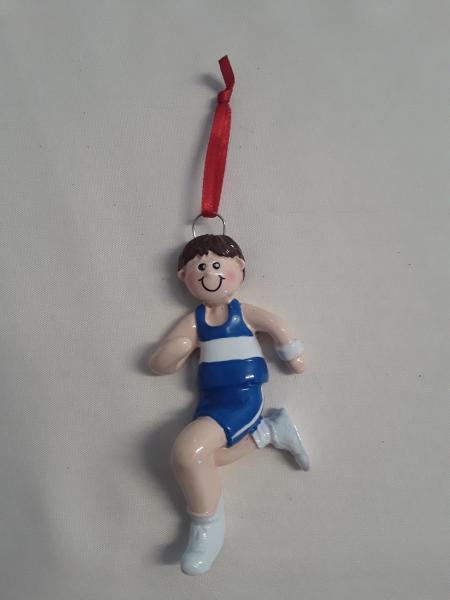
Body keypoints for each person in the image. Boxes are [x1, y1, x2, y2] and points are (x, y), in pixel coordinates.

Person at [149, 234, 310, 575]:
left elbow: (274, 325)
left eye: (217, 265)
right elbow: (160, 363)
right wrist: (176, 349)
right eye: (200, 268)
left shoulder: (242, 313)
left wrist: (291, 351)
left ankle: (207, 531)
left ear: (240, 267)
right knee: (211, 458)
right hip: (211, 401)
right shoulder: (194, 322)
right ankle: (270, 431)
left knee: (187, 454)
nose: (210, 273)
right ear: (184, 277)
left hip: (242, 397)